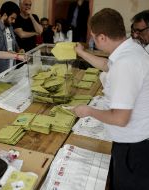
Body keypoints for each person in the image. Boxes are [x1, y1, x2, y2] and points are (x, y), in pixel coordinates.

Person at [73, 8, 149, 190]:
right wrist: (82, 53)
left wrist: (88, 111)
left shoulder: (125, 64)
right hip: (134, 142)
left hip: (135, 147)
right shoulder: (130, 48)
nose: (92, 40)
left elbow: (120, 118)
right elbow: (107, 65)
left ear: (102, 38)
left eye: (93, 37)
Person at [0, 1, 22, 75]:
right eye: (12, 18)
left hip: (11, 67)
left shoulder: (9, 26)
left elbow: (13, 41)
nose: (14, 21)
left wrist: (19, 49)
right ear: (4, 15)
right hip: (0, 72)